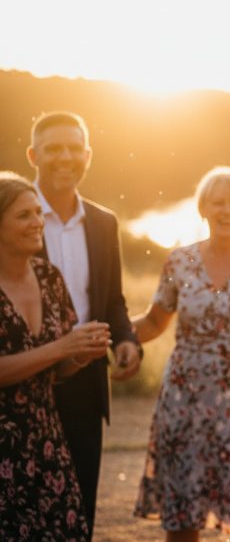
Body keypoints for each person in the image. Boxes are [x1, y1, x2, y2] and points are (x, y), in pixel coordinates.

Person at [132, 167, 230, 542]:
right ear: (203, 208)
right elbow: (155, 322)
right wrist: (113, 332)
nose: (226, 210)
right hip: (184, 397)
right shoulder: (178, 261)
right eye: (218, 202)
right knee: (183, 511)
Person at [25, 111, 143, 538]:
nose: (65, 157)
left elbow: (112, 301)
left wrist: (127, 342)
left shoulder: (103, 222)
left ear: (88, 155)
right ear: (33, 154)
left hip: (86, 386)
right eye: (54, 148)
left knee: (79, 514)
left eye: (75, 148)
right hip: (23, 386)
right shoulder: (10, 216)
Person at [0, 171, 111, 541]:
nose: (37, 224)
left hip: (46, 438)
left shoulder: (50, 277)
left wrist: (79, 353)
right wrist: (61, 348)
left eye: (37, 214)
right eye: (23, 216)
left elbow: (56, 369)